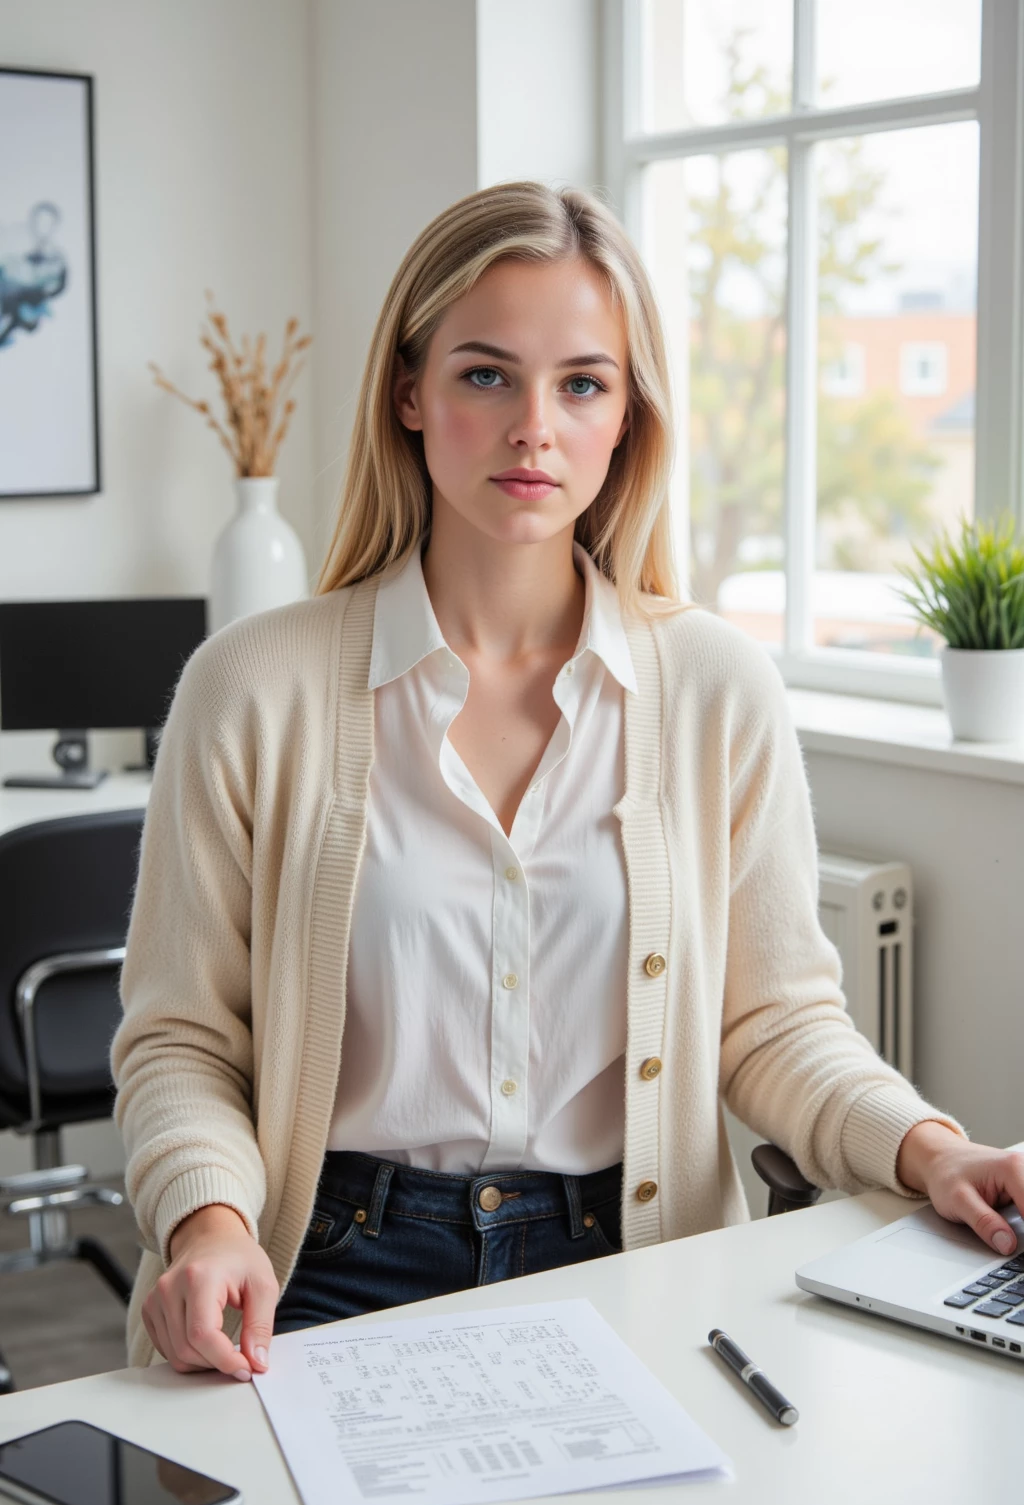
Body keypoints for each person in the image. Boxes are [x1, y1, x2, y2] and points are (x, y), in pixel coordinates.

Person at [111, 181, 1020, 1386]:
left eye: (582, 383)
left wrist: (926, 1148)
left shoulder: (712, 686)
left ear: (626, 419)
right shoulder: (252, 687)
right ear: (410, 392)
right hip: (326, 1274)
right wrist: (210, 1218)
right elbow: (179, 1039)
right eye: (487, 374)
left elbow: (777, 1021)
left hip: (638, 1260)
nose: (533, 426)